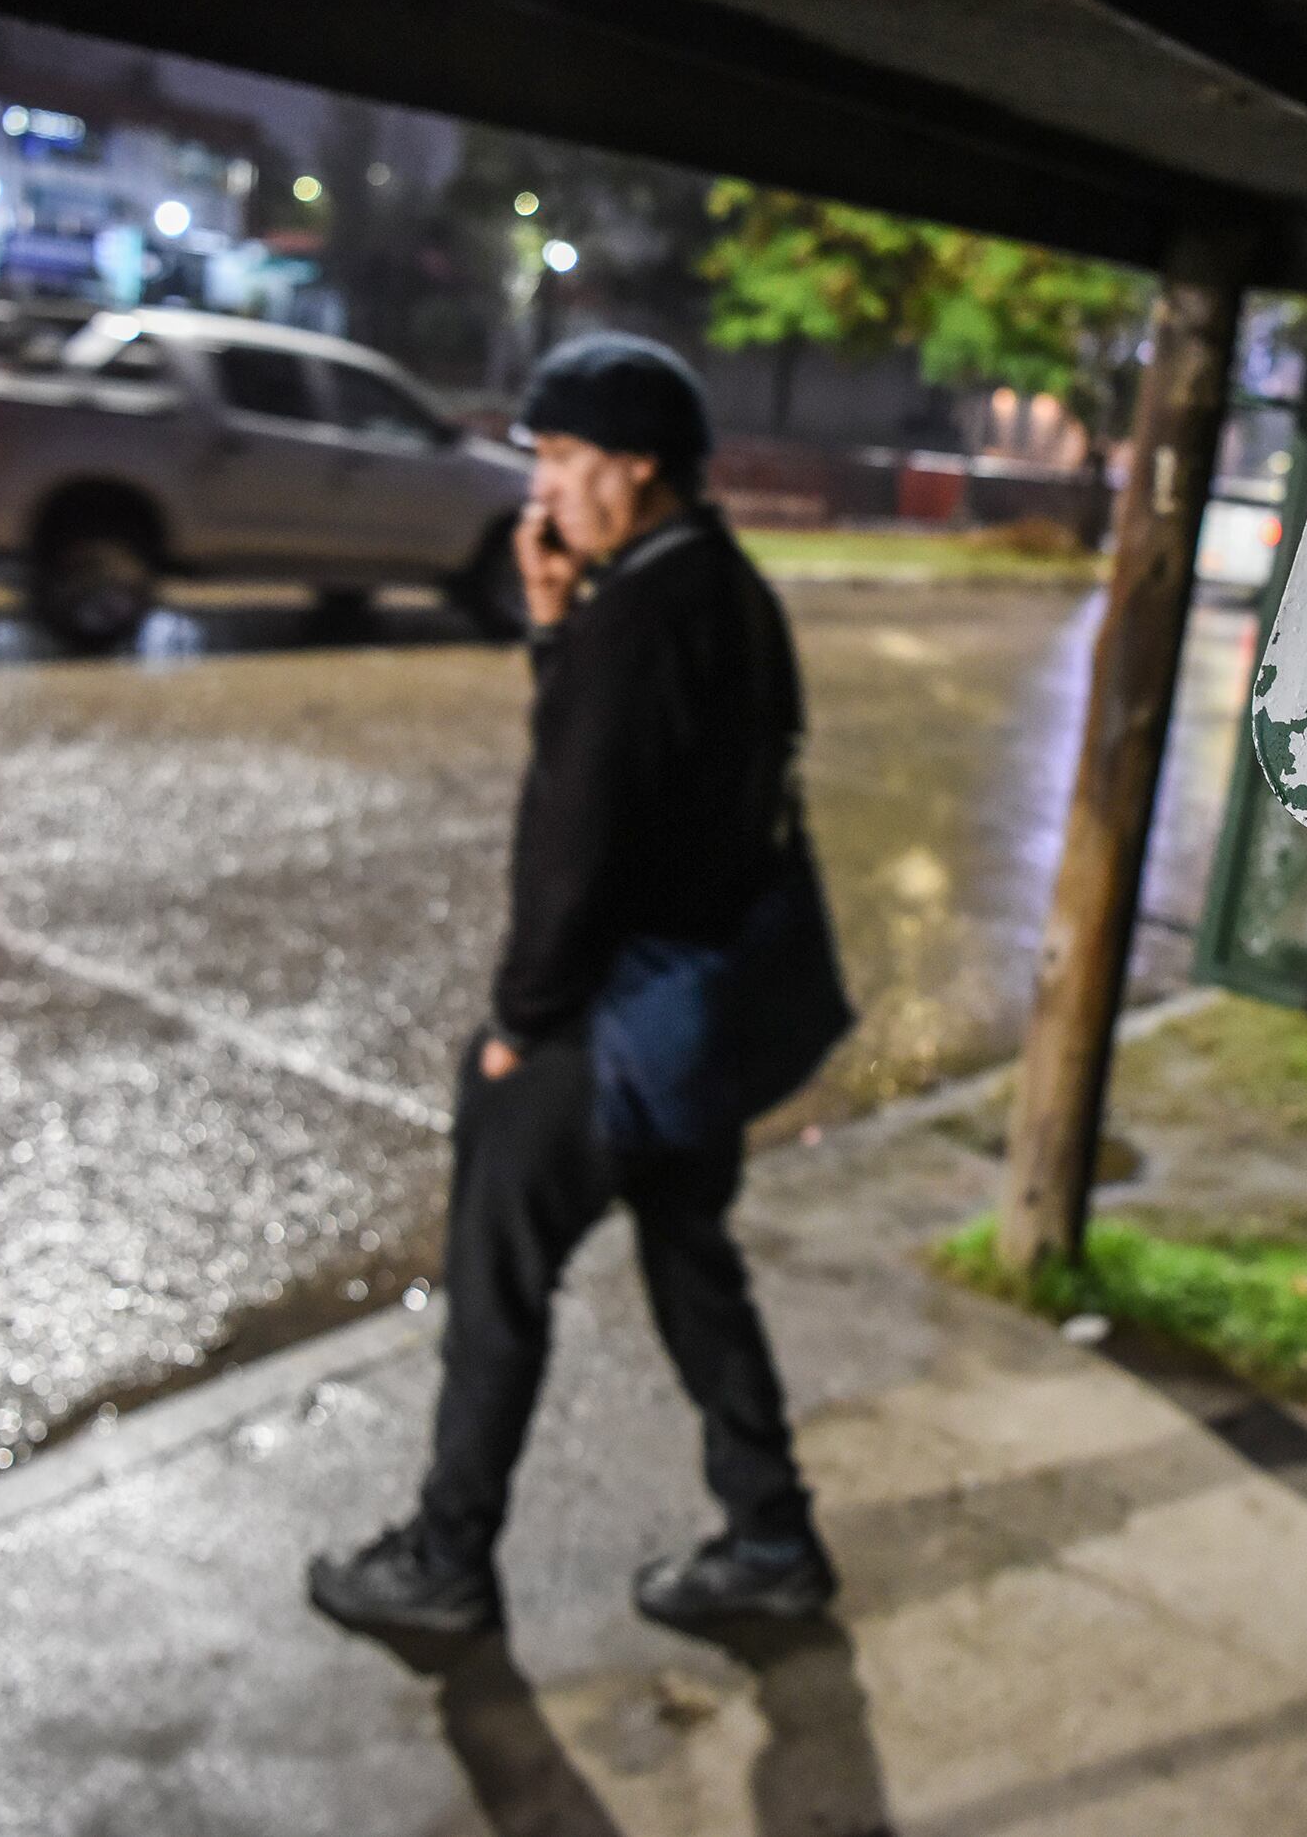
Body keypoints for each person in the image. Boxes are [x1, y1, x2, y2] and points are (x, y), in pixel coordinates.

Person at [310, 333, 840, 1636]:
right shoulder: (723, 587)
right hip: (700, 1014)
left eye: (559, 458)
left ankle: (446, 1555)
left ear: (635, 465)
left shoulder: (641, 615)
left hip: (615, 1017)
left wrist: (517, 1025)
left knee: (498, 1271)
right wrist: (555, 624)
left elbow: (573, 836)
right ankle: (773, 1533)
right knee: (687, 1252)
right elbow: (646, 776)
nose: (539, 490)